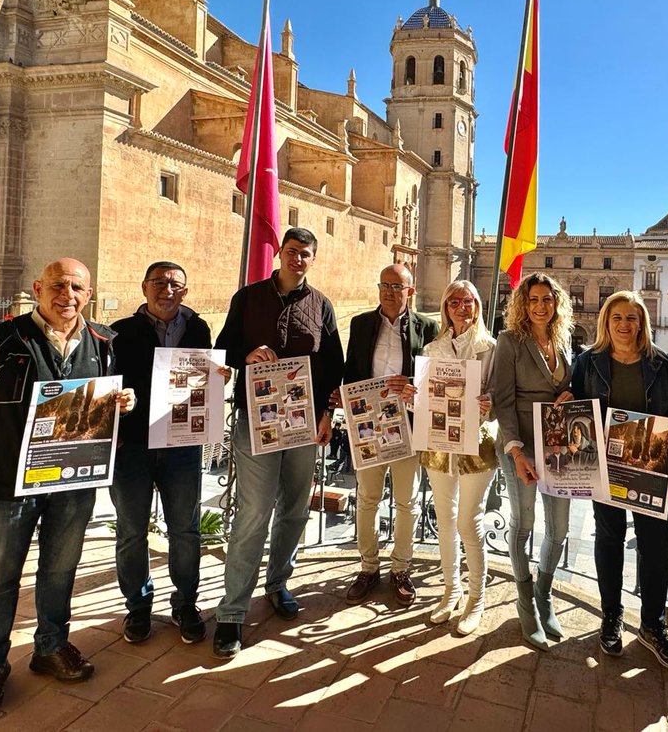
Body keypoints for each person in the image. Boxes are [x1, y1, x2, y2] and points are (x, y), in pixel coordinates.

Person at [0, 258, 137, 718]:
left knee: (60, 569)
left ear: (89, 294)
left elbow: (112, 401)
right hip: (10, 486)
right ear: (38, 289)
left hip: (73, 483)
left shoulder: (104, 344)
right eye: (58, 285)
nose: (67, 295)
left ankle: (50, 645)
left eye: (77, 288)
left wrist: (124, 403)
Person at [212, 228, 344, 659]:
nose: (298, 260)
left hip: (305, 424)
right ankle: (232, 612)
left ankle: (277, 583)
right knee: (253, 511)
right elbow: (223, 348)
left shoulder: (321, 305)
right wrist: (246, 355)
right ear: (280, 253)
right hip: (258, 421)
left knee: (293, 508)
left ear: (313, 259)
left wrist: (327, 414)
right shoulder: (248, 298)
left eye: (305, 255)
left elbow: (333, 365)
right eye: (292, 252)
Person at [572, 291, 668, 669]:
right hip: (606, 466)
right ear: (606, 320)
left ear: (643, 323)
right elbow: (575, 405)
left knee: (655, 546)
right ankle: (611, 616)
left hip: (651, 466)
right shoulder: (588, 362)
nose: (625, 324)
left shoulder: (663, 364)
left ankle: (652, 625)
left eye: (632, 318)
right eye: (617, 317)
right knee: (609, 539)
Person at [110, 261, 220, 646]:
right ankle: (138, 607)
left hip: (182, 447)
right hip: (133, 448)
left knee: (185, 530)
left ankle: (185, 603)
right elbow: (109, 387)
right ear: (144, 287)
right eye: (159, 282)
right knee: (131, 531)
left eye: (175, 284)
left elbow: (205, 380)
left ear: (185, 292)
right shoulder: (119, 333)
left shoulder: (199, 328)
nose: (167, 289)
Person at [340, 264, 438, 608]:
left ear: (410, 291)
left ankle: (401, 569)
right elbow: (352, 369)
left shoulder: (427, 326)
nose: (389, 292)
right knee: (367, 498)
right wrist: (344, 400)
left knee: (407, 501)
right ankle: (368, 567)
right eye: (384, 285)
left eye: (397, 287)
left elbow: (433, 376)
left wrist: (413, 386)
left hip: (407, 426)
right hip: (368, 424)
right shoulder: (361, 323)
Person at [489, 272, 574, 650]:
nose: (540, 306)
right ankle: (525, 605)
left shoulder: (563, 339)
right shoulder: (509, 342)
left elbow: (568, 385)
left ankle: (544, 594)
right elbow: (502, 400)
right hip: (520, 446)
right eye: (534, 299)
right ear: (523, 304)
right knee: (523, 526)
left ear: (556, 303)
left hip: (558, 448)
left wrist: (572, 392)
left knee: (559, 529)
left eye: (547, 299)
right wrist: (518, 452)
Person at [412, 280, 499, 634]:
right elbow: (424, 398)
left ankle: (476, 599)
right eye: (454, 302)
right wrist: (411, 393)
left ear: (477, 306)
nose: (462, 307)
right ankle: (450, 592)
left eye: (468, 301)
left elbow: (502, 395)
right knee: (444, 519)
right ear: (446, 308)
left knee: (469, 522)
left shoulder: (491, 348)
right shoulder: (432, 348)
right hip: (439, 442)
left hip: (477, 444)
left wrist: (490, 405)